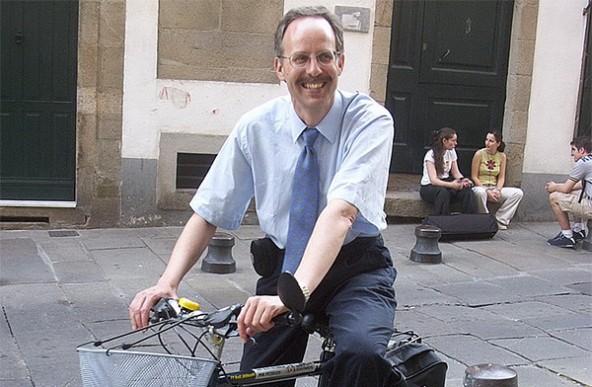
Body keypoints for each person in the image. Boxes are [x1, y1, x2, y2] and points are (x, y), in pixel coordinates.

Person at [129, 6, 400, 386]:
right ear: (280, 67)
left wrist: (292, 296)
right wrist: (167, 282)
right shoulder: (256, 127)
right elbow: (208, 211)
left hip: (354, 266)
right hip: (285, 266)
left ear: (340, 62)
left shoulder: (369, 120)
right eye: (300, 58)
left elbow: (341, 214)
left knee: (361, 353)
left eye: (324, 56)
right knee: (255, 378)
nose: (313, 70)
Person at [545, 136, 592, 248]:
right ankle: (578, 230)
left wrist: (554, 187)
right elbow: (582, 184)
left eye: (573, 150)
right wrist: (559, 186)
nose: (571, 154)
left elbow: (566, 188)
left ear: (582, 150)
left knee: (554, 197)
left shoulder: (583, 163)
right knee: (575, 194)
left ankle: (567, 236)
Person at [470, 131, 523, 230]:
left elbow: (501, 177)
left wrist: (497, 190)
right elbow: (474, 176)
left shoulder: (502, 156)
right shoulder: (479, 154)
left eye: (491, 141)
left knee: (518, 193)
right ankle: (485, 220)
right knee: (480, 193)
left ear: (498, 144)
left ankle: (500, 220)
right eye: (486, 140)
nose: (487, 143)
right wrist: (486, 190)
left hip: (494, 187)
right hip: (481, 186)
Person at [420, 127, 476, 215]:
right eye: (453, 141)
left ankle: (468, 218)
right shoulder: (430, 156)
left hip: (446, 182)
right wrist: (451, 185)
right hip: (429, 186)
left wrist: (463, 180)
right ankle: (442, 220)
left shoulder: (451, 152)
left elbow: (455, 172)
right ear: (444, 141)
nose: (455, 143)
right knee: (443, 193)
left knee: (466, 190)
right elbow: (434, 180)